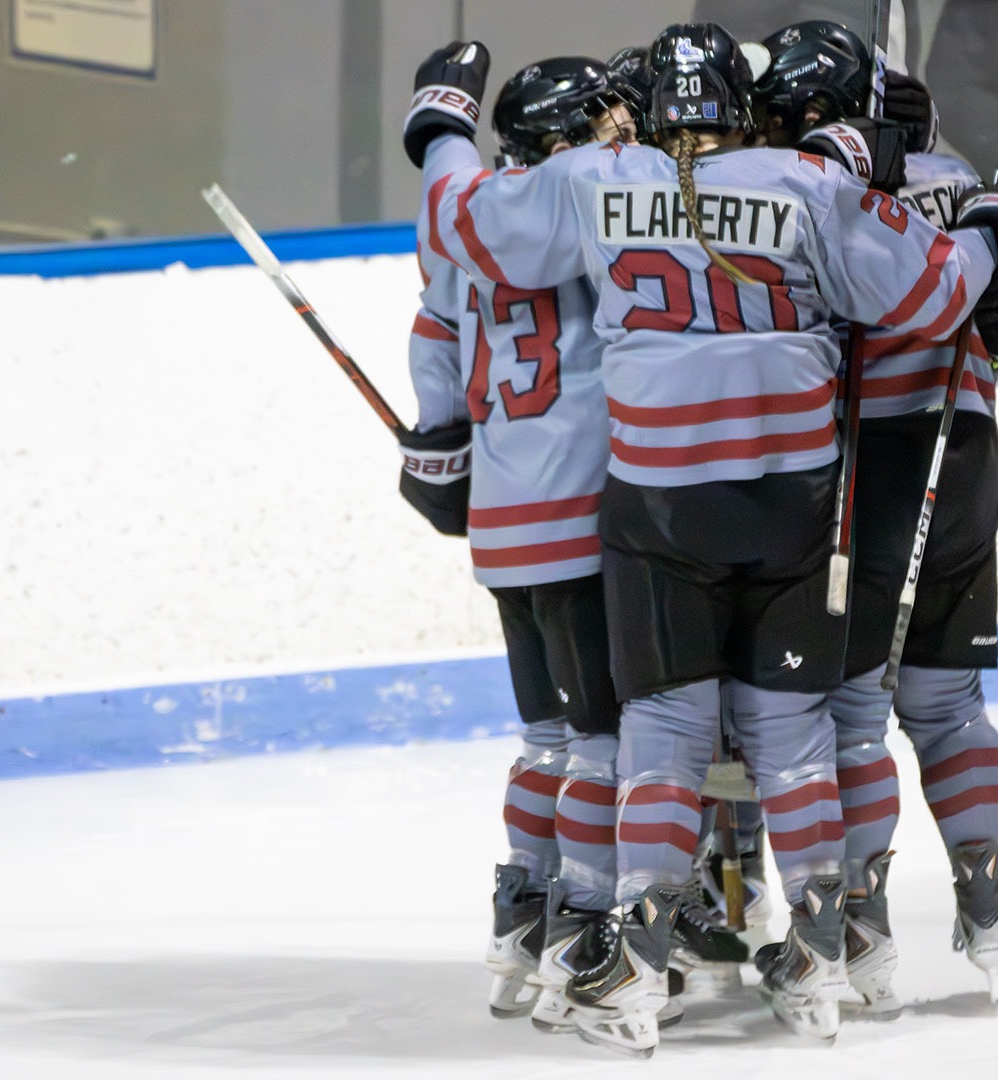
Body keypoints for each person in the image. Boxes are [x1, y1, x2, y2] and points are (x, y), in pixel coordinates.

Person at [402, 21, 998, 1056]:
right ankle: (828, 940)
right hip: (798, 511)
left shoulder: (603, 176)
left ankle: (635, 956)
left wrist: (441, 126)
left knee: (660, 735)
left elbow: (463, 229)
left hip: (658, 512)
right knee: (802, 732)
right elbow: (933, 295)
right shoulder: (810, 183)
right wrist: (997, 230)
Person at [751, 22, 998, 1011]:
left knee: (855, 715)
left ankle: (862, 918)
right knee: (951, 705)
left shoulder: (811, 191)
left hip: (873, 482)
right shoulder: (956, 172)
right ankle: (988, 899)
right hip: (966, 465)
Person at [397, 55, 636, 1026]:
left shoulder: (462, 222)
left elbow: (434, 349)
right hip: (580, 515)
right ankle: (583, 916)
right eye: (604, 119)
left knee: (543, 736)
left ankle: (520, 914)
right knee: (603, 741)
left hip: (501, 520)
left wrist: (439, 441)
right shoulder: (580, 199)